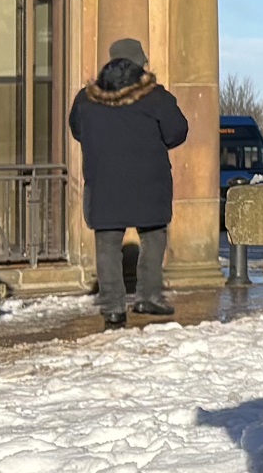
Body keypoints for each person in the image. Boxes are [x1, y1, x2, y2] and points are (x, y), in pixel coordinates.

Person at [68, 36, 188, 328]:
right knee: (154, 236)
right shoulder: (156, 96)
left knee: (107, 243)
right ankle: (148, 297)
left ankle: (112, 306)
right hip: (149, 181)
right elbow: (177, 132)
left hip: (104, 181)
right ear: (139, 64)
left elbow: (77, 129)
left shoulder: (86, 98)